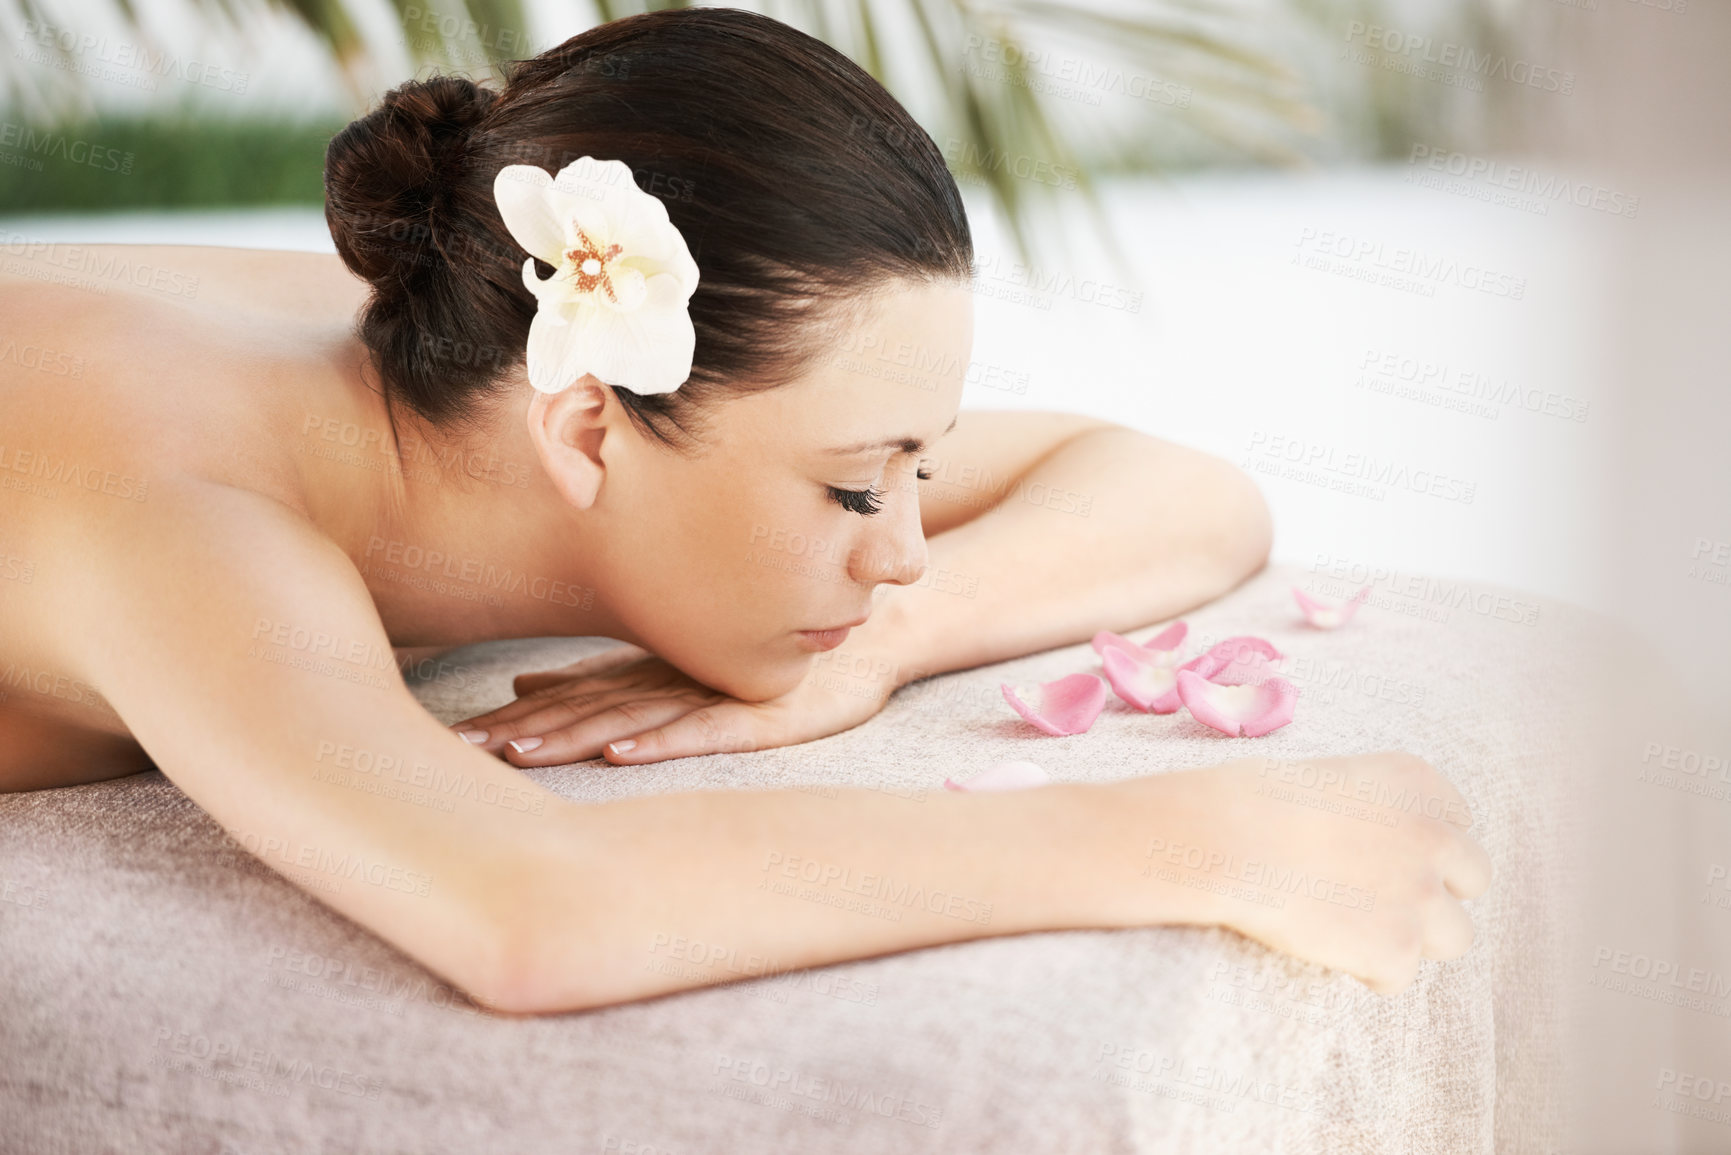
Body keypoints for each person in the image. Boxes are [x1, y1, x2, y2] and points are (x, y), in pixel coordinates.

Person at [0, 8, 1487, 1015]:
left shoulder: (471, 342)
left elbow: (1175, 487)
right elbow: (530, 909)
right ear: (588, 424)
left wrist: (875, 645)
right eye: (854, 488)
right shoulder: (185, 517)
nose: (899, 545)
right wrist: (1194, 839)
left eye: (914, 471)